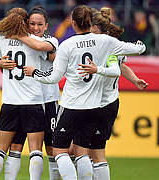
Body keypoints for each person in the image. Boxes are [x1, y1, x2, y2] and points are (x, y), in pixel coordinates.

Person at [23, 5, 146, 180]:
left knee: (59, 151)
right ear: (91, 22)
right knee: (82, 152)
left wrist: (34, 72)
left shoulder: (67, 45)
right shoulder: (106, 41)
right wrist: (140, 45)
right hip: (94, 107)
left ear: (73, 23)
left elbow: (53, 77)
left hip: (71, 106)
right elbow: (137, 49)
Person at [77, 7, 149, 180]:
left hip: (98, 103)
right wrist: (135, 79)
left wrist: (96, 69)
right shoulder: (113, 43)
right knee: (90, 151)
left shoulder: (105, 46)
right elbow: (123, 65)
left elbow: (116, 69)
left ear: (94, 27)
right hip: (106, 102)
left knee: (87, 151)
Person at [0, 7, 49, 180]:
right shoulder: (35, 40)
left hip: (10, 102)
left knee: (1, 149)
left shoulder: (2, 40)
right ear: (25, 22)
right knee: (35, 150)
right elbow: (50, 55)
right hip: (33, 101)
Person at [1, 6, 61, 180]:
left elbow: (52, 56)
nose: (35, 28)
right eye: (32, 24)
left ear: (46, 25)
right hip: (27, 100)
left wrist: (17, 34)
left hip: (48, 98)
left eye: (40, 24)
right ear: (26, 24)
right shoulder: (20, 42)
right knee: (16, 146)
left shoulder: (50, 41)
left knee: (51, 148)